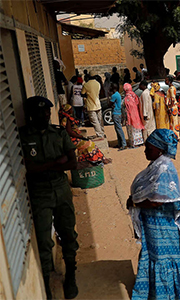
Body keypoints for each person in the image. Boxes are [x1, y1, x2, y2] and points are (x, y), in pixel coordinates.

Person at [20, 96, 79, 299]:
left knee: (68, 233)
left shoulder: (59, 133)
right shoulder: (23, 136)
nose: (45, 115)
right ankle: (46, 284)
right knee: (45, 241)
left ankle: (71, 274)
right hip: (40, 192)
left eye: (47, 112)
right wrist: (55, 162)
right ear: (30, 115)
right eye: (40, 112)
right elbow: (28, 168)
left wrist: (44, 166)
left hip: (60, 188)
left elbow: (72, 162)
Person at [127, 129, 180, 300]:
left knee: (165, 258)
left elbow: (158, 200)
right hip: (154, 224)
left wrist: (135, 202)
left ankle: (170, 294)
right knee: (154, 256)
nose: (145, 151)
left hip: (163, 225)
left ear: (159, 149)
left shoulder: (164, 168)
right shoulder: (156, 165)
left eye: (148, 148)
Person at [81, 73, 104, 139]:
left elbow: (82, 94)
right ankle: (102, 132)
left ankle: (99, 134)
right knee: (100, 120)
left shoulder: (86, 85)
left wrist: (87, 95)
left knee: (95, 121)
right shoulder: (97, 83)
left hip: (91, 105)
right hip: (98, 104)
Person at [123, 83, 145, 148]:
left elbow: (129, 108)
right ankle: (139, 142)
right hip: (136, 114)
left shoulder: (128, 97)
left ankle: (134, 143)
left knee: (132, 129)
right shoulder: (133, 95)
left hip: (131, 115)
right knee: (137, 129)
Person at [109, 83, 127, 150]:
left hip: (116, 113)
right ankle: (120, 143)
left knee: (119, 129)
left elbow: (109, 104)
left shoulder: (114, 95)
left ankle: (123, 144)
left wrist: (108, 95)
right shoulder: (118, 94)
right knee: (117, 129)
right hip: (118, 113)